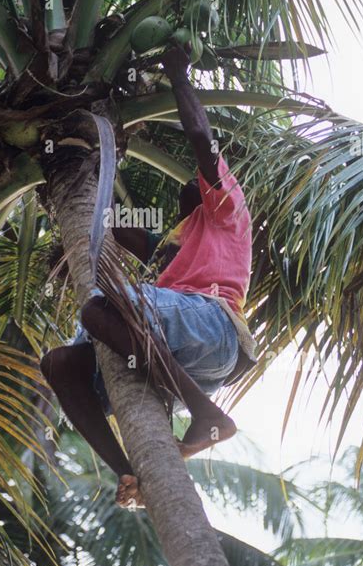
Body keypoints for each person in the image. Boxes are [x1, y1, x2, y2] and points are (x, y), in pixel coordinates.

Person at [40, 44, 256, 509]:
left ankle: (205, 415)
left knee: (100, 308)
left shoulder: (226, 210)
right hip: (189, 354)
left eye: (193, 187)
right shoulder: (175, 247)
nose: (189, 188)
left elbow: (201, 138)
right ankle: (129, 471)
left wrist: (178, 74)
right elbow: (114, 225)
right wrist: (73, 186)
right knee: (59, 365)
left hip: (213, 327)